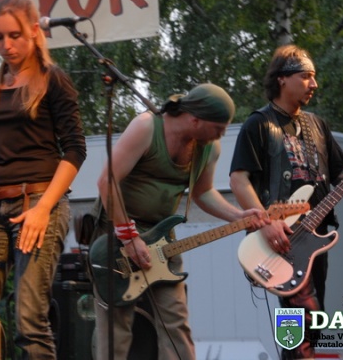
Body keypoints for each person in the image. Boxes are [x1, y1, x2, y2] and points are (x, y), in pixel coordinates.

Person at [229, 44, 343, 359]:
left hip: (314, 238)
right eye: (306, 76)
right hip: (281, 238)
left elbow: (342, 175)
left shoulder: (317, 125)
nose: (314, 84)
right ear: (282, 78)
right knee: (301, 319)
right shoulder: (259, 124)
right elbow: (238, 179)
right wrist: (266, 224)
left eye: (314, 77)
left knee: (312, 322)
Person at [92, 83, 268, 360]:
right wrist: (129, 236)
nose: (221, 135)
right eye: (218, 128)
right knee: (116, 326)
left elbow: (203, 192)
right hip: (116, 236)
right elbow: (107, 180)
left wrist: (237, 215)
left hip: (162, 240)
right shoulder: (146, 127)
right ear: (195, 120)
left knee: (175, 322)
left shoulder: (208, 148)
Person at [0, 0, 87, 359]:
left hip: (38, 203)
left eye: (14, 36)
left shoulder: (53, 80)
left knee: (30, 323)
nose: (6, 45)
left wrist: (44, 209)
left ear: (33, 31)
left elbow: (75, 150)